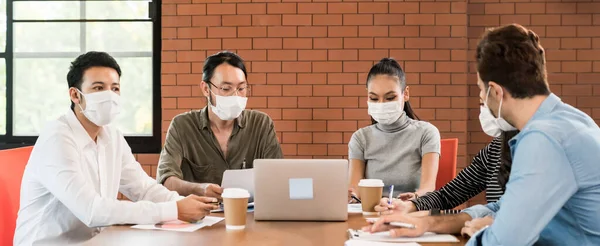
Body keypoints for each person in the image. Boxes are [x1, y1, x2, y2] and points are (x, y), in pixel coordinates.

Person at [364, 23, 600, 245]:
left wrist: (486, 230)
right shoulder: (565, 122)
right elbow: (504, 208)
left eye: (480, 90)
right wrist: (428, 222)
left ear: (495, 92)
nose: (480, 100)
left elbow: (501, 241)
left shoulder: (545, 140)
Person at [14, 52, 218, 246]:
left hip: (95, 242)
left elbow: (142, 188)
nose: (109, 96)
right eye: (98, 88)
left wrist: (186, 203)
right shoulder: (57, 137)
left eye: (115, 88)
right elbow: (92, 210)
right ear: (75, 95)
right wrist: (174, 209)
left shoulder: (112, 136)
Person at [157, 51, 283, 199]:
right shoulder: (182, 126)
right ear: (206, 89)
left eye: (241, 88)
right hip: (199, 215)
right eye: (225, 89)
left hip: (248, 213)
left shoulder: (261, 124)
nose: (235, 96)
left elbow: (277, 176)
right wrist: (200, 189)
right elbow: (166, 180)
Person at [348, 58, 440, 201]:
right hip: (373, 212)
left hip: (412, 211)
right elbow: (355, 189)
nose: (381, 104)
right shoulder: (360, 138)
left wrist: (414, 199)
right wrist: (352, 196)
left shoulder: (426, 133)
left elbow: (428, 188)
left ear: (406, 93)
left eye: (390, 98)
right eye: (373, 98)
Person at [376, 128, 518, 214]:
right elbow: (448, 195)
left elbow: (503, 217)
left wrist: (430, 219)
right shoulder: (496, 147)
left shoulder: (535, 146)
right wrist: (411, 206)